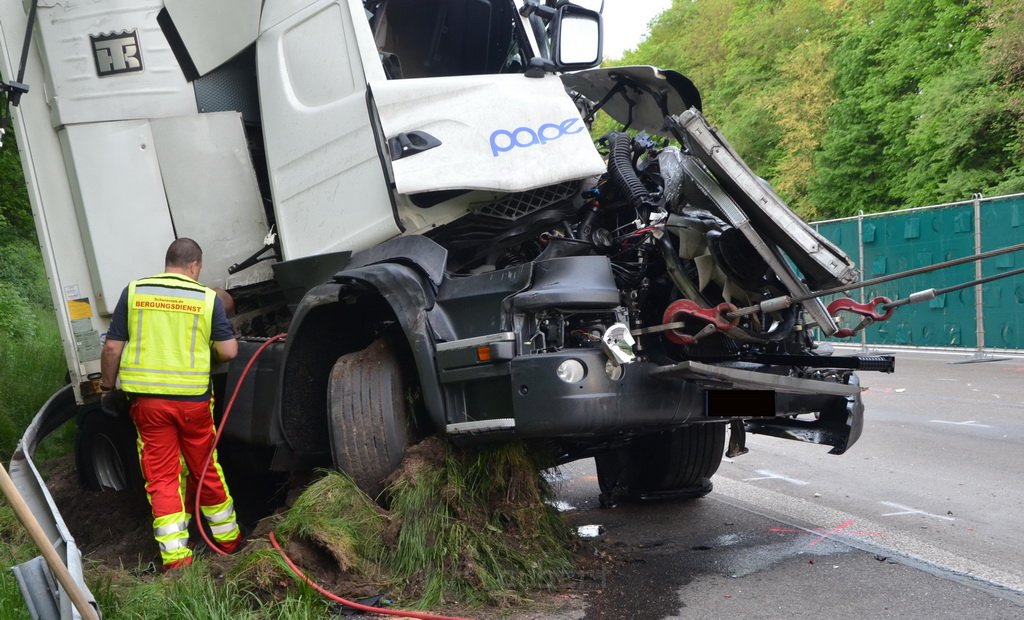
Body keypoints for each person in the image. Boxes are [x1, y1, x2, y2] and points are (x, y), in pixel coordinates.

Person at [99, 238, 243, 571]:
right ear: (195, 266)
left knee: (162, 477)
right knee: (205, 468)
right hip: (193, 404)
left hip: (149, 407)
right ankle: (229, 541)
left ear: (169, 262)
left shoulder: (135, 292)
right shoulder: (206, 299)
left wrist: (108, 388)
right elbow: (230, 351)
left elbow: (111, 350)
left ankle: (177, 560)